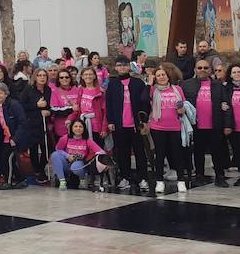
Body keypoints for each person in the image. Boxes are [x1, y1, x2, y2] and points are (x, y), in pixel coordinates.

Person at [105, 55, 150, 190]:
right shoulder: (112, 84)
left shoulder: (138, 83)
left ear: (129, 66)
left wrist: (144, 120)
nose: (122, 67)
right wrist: (111, 121)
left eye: (124, 65)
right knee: (122, 152)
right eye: (119, 65)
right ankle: (124, 177)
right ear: (116, 68)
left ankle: (142, 178)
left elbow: (145, 102)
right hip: (120, 124)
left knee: (140, 152)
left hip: (136, 124)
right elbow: (109, 104)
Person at [183, 58, 229, 186]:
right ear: (195, 70)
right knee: (198, 153)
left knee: (217, 152)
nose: (202, 70)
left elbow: (226, 105)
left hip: (215, 125)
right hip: (196, 126)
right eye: (199, 68)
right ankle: (199, 175)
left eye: (205, 68)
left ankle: (220, 176)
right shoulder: (186, 85)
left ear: (210, 70)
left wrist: (227, 125)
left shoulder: (218, 85)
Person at [149, 64, 189, 194]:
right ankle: (159, 181)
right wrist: (149, 84)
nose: (161, 77)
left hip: (175, 126)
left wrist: (181, 109)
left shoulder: (177, 89)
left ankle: (181, 181)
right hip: (158, 127)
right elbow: (144, 99)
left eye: (163, 75)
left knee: (177, 154)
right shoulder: (152, 90)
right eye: (158, 75)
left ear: (168, 76)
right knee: (160, 155)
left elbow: (183, 106)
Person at [0, 83, 29, 190]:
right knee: (5, 159)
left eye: (1, 93)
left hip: (15, 137)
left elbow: (22, 123)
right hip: (4, 138)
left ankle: (9, 181)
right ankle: (21, 179)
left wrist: (16, 138)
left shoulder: (14, 105)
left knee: (7, 158)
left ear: (6, 94)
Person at [51, 118, 99, 190]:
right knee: (54, 155)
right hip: (67, 163)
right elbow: (58, 149)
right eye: (75, 126)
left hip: (79, 165)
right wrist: (67, 156)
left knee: (75, 166)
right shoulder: (65, 138)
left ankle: (83, 178)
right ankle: (62, 181)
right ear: (71, 128)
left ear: (84, 129)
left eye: (80, 127)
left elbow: (100, 151)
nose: (78, 129)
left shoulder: (87, 140)